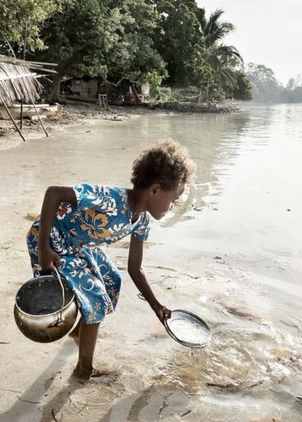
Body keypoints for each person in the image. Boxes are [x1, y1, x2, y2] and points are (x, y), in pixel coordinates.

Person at [26, 139, 196, 380]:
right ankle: (84, 370)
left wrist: (156, 306)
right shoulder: (110, 199)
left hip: (83, 244)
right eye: (173, 200)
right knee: (95, 298)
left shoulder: (142, 220)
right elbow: (54, 193)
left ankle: (78, 332)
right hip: (53, 238)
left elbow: (135, 269)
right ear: (155, 190)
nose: (172, 206)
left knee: (111, 281)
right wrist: (44, 248)